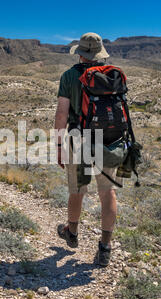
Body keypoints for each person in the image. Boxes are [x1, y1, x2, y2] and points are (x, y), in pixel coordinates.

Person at [54, 32, 120, 267]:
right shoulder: (113, 75)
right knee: (107, 192)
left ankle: (71, 233)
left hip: (78, 138)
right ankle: (105, 246)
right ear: (100, 54)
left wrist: (59, 145)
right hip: (110, 140)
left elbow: (62, 114)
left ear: (80, 54)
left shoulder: (69, 77)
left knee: (78, 189)